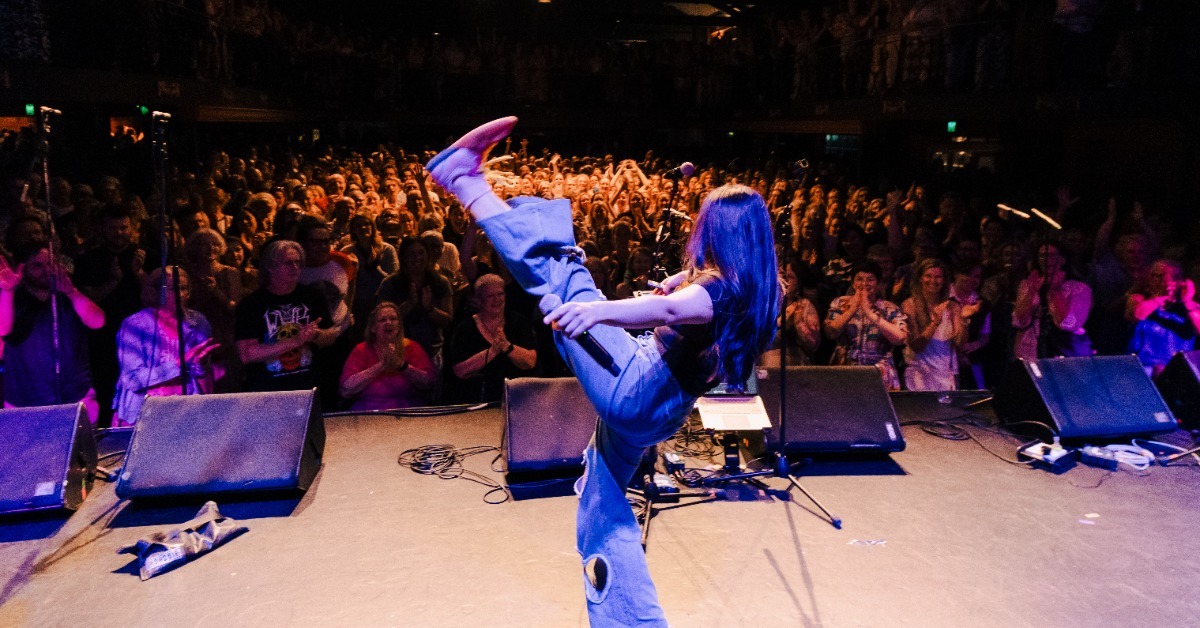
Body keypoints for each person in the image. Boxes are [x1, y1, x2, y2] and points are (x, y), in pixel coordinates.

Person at [427, 117, 779, 626]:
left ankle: (463, 179)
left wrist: (600, 311)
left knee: (568, 281)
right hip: (658, 415)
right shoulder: (761, 291)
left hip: (636, 390)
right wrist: (672, 284)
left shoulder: (715, 293)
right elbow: (689, 301)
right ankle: (630, 618)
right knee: (603, 497)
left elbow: (678, 312)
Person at [0, 244, 105, 419]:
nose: (46, 270)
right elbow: (3, 329)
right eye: (37, 266)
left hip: (75, 396)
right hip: (24, 402)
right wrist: (8, 291)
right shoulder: (12, 297)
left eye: (50, 264)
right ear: (23, 269)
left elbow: (98, 322)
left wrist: (72, 292)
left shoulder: (70, 293)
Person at [114, 267, 219, 425]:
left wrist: (202, 364)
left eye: (183, 288)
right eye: (171, 288)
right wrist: (177, 365)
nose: (179, 294)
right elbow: (133, 380)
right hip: (145, 414)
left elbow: (201, 372)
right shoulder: (135, 325)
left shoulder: (198, 321)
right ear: (156, 292)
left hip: (186, 411)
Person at [234, 240, 337, 393]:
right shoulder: (252, 304)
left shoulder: (312, 296)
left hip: (307, 387)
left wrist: (316, 335)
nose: (295, 267)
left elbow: (331, 336)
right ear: (270, 266)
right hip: (267, 389)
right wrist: (295, 341)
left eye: (298, 262)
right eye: (289, 263)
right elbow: (246, 354)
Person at [448, 273, 538, 403]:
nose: (497, 300)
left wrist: (507, 347)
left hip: (518, 399)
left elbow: (530, 361)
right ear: (479, 300)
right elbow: (460, 370)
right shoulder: (465, 328)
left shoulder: (519, 321)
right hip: (477, 401)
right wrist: (492, 352)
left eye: (500, 294)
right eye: (490, 296)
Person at [824, 261, 909, 389]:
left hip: (879, 371)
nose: (864, 284)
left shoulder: (889, 308)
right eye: (859, 279)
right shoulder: (840, 303)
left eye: (870, 280)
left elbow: (900, 338)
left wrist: (869, 313)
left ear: (878, 283)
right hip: (846, 368)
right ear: (853, 283)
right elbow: (831, 332)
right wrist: (853, 309)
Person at [339, 301, 436, 411]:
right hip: (369, 413)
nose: (388, 322)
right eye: (382, 320)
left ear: (399, 325)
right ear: (373, 328)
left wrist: (402, 365)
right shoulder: (361, 350)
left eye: (393, 319)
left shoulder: (412, 347)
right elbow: (346, 389)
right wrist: (381, 366)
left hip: (407, 412)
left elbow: (429, 383)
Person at [1013, 241, 1093, 360]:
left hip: (1066, 351)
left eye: (1052, 255)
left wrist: (1055, 292)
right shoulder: (1028, 284)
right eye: (1042, 256)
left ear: (1062, 259)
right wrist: (1030, 292)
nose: (1047, 259)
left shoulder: (1079, 288)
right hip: (1029, 351)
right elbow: (1019, 321)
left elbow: (1070, 324)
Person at [1125, 259, 1199, 376]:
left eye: (1173, 277)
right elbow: (1137, 315)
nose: (1166, 281)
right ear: (1150, 278)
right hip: (1143, 369)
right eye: (1160, 276)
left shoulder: (1191, 308)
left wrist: (1187, 302)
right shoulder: (1139, 300)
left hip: (1177, 372)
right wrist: (1162, 297)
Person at [901, 258, 965, 391]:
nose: (933, 281)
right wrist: (935, 322)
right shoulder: (909, 305)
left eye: (938, 277)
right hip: (919, 375)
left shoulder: (953, 306)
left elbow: (959, 342)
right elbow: (917, 347)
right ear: (920, 278)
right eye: (928, 276)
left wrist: (963, 319)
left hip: (946, 375)